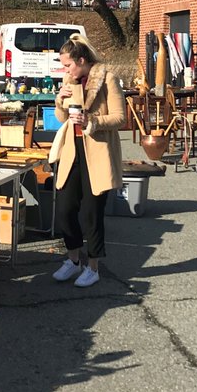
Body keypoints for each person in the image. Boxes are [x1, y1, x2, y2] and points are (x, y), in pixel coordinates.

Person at [51, 34, 125, 288]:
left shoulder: (108, 79)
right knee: (64, 210)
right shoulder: (68, 81)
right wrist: (60, 99)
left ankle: (93, 267)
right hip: (72, 152)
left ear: (82, 60)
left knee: (91, 214)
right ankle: (73, 260)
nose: (66, 70)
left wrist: (92, 122)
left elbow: (119, 118)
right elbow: (61, 118)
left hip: (98, 153)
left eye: (68, 65)